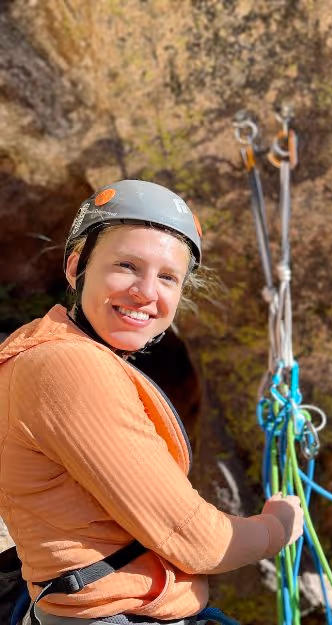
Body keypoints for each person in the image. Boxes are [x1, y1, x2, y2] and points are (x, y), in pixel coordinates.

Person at [0, 180, 304, 625]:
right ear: (75, 268)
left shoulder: (43, 352)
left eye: (167, 277)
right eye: (126, 265)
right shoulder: (67, 368)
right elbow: (198, 541)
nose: (146, 292)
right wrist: (278, 526)